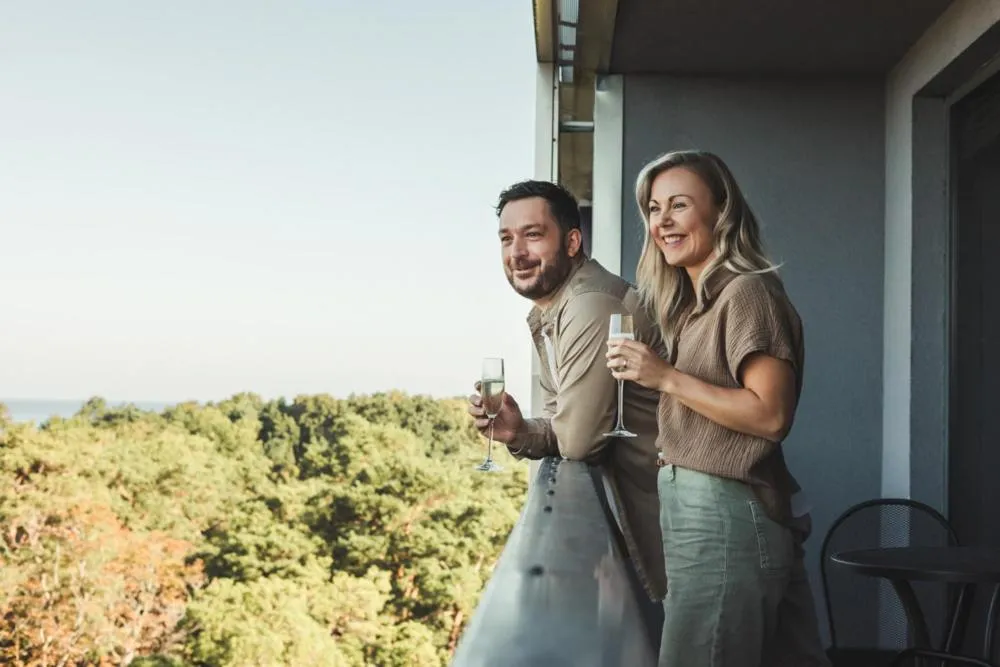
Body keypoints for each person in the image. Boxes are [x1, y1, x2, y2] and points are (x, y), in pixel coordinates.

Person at [606, 150, 830, 667]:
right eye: (654, 208)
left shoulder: (747, 293)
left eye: (678, 205)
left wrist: (664, 377)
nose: (661, 221)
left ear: (721, 211)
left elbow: (771, 416)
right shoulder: (695, 305)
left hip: (725, 517)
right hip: (710, 511)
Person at [467, 179, 668, 608]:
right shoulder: (552, 314)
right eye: (507, 238)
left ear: (573, 241)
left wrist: (551, 430)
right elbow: (562, 423)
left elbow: (577, 441)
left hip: (686, 525)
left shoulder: (590, 306)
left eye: (533, 235)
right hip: (660, 522)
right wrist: (520, 431)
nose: (516, 252)